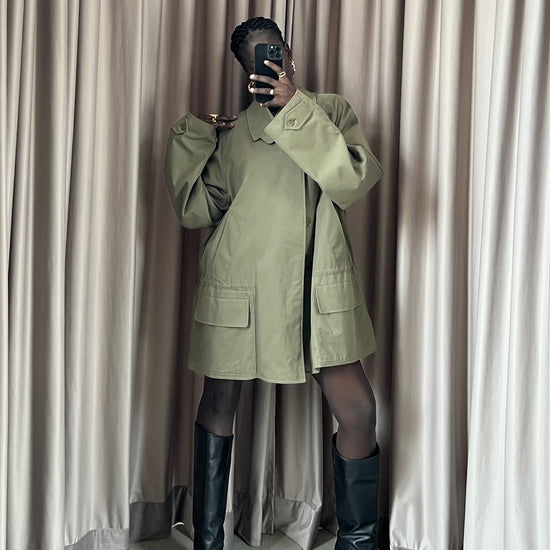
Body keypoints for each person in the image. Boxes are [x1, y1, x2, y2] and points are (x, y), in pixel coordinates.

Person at [164, 16, 383, 550]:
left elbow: (353, 180)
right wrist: (195, 134)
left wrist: (294, 109)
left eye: (274, 53)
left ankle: (358, 542)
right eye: (254, 62)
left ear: (289, 54)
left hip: (316, 289)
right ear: (246, 73)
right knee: (218, 402)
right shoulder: (236, 133)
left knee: (358, 411)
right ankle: (207, 542)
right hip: (240, 284)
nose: (268, 64)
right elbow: (197, 211)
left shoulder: (329, 111)